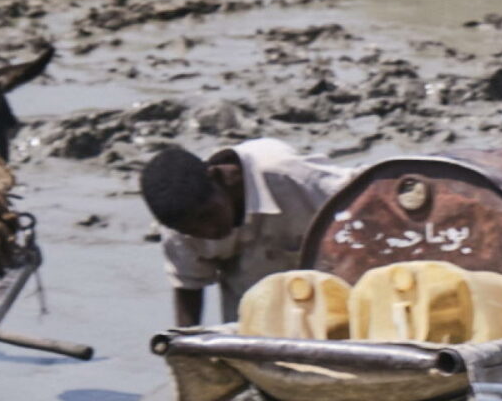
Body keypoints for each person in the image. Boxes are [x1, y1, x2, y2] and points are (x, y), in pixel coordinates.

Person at [140, 139, 349, 328]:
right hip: (255, 315)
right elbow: (189, 286)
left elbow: (369, 199)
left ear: (217, 178)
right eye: (193, 231)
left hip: (338, 295)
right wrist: (184, 351)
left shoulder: (292, 176)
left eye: (208, 216)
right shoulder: (177, 227)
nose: (209, 231)